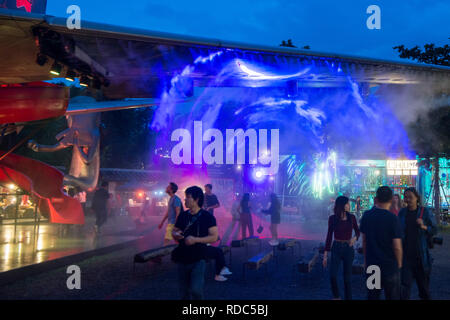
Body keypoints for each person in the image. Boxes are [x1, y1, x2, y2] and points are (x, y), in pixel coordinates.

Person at [171, 186, 218, 300]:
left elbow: (214, 237)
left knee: (196, 290)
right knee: (183, 292)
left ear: (196, 199)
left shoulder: (208, 217)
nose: (185, 200)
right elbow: (175, 231)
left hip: (198, 258)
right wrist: (176, 234)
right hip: (182, 257)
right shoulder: (183, 215)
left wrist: (195, 240)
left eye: (187, 197)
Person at [360, 186, 403, 300]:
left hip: (372, 265)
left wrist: (365, 261)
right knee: (392, 296)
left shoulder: (367, 215)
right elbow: (397, 246)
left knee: (373, 296)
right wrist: (399, 264)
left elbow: (364, 240)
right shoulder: (393, 218)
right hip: (390, 266)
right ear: (391, 200)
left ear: (376, 199)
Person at [398, 187, 437, 300]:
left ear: (417, 198)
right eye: (406, 197)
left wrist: (424, 226)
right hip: (406, 257)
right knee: (404, 290)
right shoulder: (402, 213)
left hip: (421, 257)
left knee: (424, 290)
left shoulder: (425, 212)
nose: (408, 199)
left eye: (411, 197)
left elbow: (434, 229)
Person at [323, 196, 360, 300]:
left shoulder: (352, 217)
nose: (349, 205)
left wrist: (355, 238)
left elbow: (357, 231)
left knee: (347, 279)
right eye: (348, 204)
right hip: (336, 247)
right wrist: (325, 255)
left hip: (348, 248)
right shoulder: (332, 219)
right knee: (332, 275)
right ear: (342, 205)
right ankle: (336, 296)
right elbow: (329, 236)